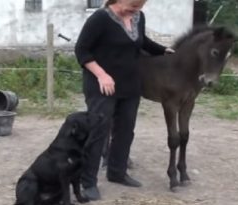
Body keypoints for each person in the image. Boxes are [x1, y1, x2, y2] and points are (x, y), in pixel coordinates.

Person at [74, 0, 174, 200]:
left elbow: (141, 41)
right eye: (133, 5)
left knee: (125, 131)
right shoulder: (100, 19)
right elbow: (82, 50)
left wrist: (164, 50)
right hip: (102, 85)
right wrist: (102, 75)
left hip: (130, 85)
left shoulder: (138, 17)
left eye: (140, 6)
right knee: (98, 132)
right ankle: (88, 182)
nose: (136, 10)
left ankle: (117, 172)